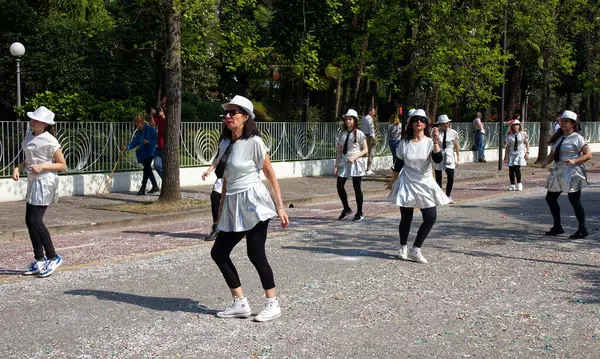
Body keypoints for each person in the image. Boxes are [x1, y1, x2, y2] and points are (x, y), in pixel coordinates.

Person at [210, 95, 289, 322]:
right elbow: (225, 181)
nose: (228, 116)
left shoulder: (254, 142)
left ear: (245, 117)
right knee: (219, 252)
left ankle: (272, 303)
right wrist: (220, 214)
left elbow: (270, 175)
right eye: (226, 113)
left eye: (233, 112)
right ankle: (240, 303)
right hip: (233, 204)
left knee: (255, 254)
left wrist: (280, 207)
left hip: (254, 203)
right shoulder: (224, 143)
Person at [387, 109, 450, 264]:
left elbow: (437, 159)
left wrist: (436, 141)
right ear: (411, 124)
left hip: (425, 182)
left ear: (426, 124)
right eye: (416, 120)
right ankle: (403, 246)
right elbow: (398, 164)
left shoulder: (430, 142)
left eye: (422, 120)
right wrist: (393, 181)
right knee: (406, 218)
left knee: (430, 217)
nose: (419, 122)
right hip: (407, 181)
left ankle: (416, 248)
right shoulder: (404, 143)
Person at [12, 106, 67, 277]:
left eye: (35, 119)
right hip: (33, 181)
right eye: (32, 118)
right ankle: (39, 259)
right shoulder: (29, 135)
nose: (31, 121)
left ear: (43, 124)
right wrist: (18, 168)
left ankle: (53, 257)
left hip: (45, 182)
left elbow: (62, 165)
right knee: (29, 220)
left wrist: (43, 165)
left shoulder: (50, 140)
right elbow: (27, 159)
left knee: (36, 221)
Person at [541, 110, 592, 239]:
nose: (563, 123)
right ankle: (557, 226)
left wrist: (575, 160)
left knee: (574, 201)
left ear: (573, 124)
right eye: (562, 121)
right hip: (558, 171)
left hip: (572, 171)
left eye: (566, 121)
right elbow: (552, 154)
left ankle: (582, 229)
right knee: (550, 198)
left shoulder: (577, 138)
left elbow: (588, 155)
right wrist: (546, 162)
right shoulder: (558, 137)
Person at [335, 109, 369, 221]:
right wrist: (336, 165)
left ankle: (360, 212)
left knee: (356, 187)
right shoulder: (342, 134)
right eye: (346, 119)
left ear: (354, 120)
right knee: (339, 186)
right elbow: (339, 151)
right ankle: (346, 208)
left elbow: (365, 150)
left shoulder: (359, 134)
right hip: (344, 161)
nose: (348, 121)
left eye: (350, 119)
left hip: (355, 162)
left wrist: (355, 157)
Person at [201, 122, 228, 242]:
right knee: (215, 197)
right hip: (222, 176)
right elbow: (218, 157)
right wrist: (209, 170)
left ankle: (242, 228)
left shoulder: (241, 139)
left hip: (235, 177)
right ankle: (216, 227)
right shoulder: (223, 140)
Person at [122, 116, 159, 195]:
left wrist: (149, 141)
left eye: (138, 125)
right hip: (143, 153)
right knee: (147, 168)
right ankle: (155, 186)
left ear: (143, 123)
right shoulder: (139, 133)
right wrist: (127, 147)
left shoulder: (150, 129)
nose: (137, 126)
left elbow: (157, 139)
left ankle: (143, 187)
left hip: (151, 151)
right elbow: (134, 142)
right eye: (136, 125)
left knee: (146, 168)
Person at [434, 114, 460, 203]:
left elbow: (456, 145)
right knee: (438, 177)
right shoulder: (437, 132)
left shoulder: (453, 132)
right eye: (442, 123)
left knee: (451, 176)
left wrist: (458, 158)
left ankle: (448, 195)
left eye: (445, 123)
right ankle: (440, 196)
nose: (444, 125)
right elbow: (433, 142)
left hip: (449, 154)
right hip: (440, 153)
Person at [503, 120, 530, 191]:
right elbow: (507, 147)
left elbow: (527, 143)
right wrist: (505, 156)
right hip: (512, 153)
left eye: (517, 125)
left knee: (517, 168)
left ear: (519, 126)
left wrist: (527, 152)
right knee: (511, 169)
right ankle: (512, 184)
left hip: (520, 152)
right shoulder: (509, 136)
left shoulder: (523, 134)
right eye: (514, 125)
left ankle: (519, 183)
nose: (515, 126)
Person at [149, 106, 166, 180]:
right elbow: (152, 125)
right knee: (156, 165)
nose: (159, 111)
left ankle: (167, 180)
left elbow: (169, 124)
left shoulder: (168, 118)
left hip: (165, 148)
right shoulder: (158, 119)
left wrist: (163, 115)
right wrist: (151, 115)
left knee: (166, 166)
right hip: (159, 147)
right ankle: (166, 180)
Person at [361, 107, 377, 175]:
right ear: (370, 112)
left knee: (363, 153)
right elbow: (371, 129)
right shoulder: (370, 119)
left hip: (363, 136)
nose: (374, 113)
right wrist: (373, 138)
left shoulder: (364, 118)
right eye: (373, 112)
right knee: (371, 153)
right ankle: (368, 169)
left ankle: (360, 168)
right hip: (369, 137)